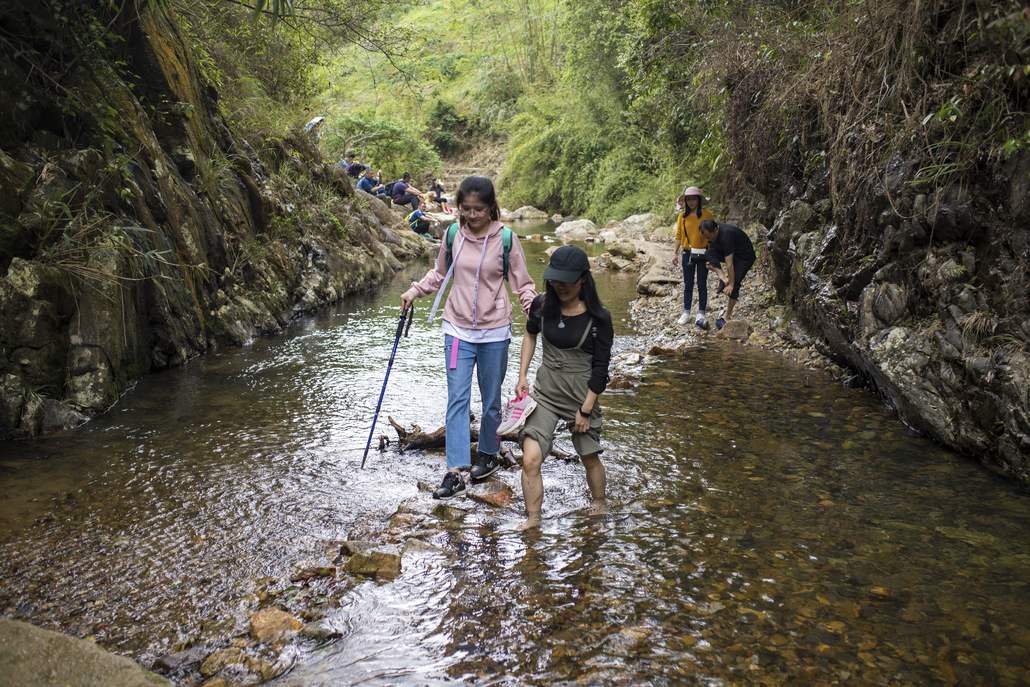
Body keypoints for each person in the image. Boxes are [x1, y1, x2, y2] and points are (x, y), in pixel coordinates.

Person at [400, 176, 537, 500]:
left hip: (495, 332)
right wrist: (414, 290)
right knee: (457, 400)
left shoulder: (506, 239)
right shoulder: (452, 234)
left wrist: (534, 309)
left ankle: (488, 454)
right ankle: (455, 470)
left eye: (479, 209)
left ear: (491, 207)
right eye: (466, 209)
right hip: (457, 329)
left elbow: (522, 283)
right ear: (459, 207)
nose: (472, 215)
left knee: (491, 402)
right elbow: (439, 273)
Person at [514, 245, 614, 531]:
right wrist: (522, 375)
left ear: (583, 278)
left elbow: (601, 369)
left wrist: (586, 409)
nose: (560, 286)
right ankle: (533, 520)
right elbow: (530, 335)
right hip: (545, 392)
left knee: (589, 456)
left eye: (567, 281)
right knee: (531, 458)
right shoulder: (542, 304)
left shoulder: (600, 318)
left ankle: (599, 504)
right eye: (555, 280)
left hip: (582, 396)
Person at [699, 219, 757, 329]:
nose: (708, 239)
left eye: (710, 237)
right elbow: (710, 249)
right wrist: (710, 261)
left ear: (716, 229)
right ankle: (723, 278)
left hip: (744, 257)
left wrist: (730, 285)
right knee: (708, 252)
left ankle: (726, 317)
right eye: (706, 238)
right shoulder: (711, 233)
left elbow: (730, 264)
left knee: (734, 285)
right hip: (730, 252)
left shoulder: (726, 235)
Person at [671, 186, 715, 329]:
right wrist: (674, 253)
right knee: (688, 284)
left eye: (693, 199)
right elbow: (678, 235)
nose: (691, 202)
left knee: (702, 283)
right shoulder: (682, 216)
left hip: (703, 253)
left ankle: (701, 313)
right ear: (685, 201)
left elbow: (713, 235)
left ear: (699, 200)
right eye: (688, 199)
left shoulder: (707, 215)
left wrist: (713, 253)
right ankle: (687, 312)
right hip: (687, 253)